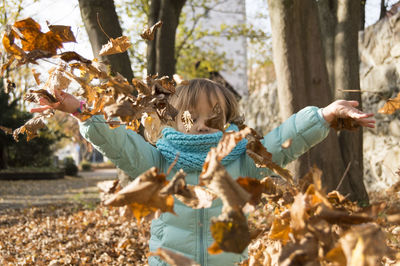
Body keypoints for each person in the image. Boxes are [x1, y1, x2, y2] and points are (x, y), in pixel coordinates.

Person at [31, 78, 375, 265]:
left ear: (225, 122)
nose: (200, 124)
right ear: (173, 120)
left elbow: (284, 140)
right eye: (189, 117)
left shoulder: (244, 158)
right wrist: (83, 112)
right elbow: (120, 143)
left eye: (212, 117)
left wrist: (323, 115)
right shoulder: (158, 161)